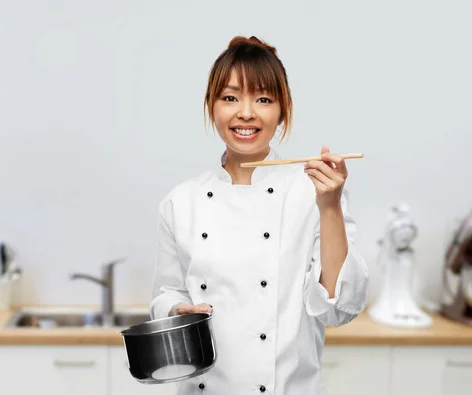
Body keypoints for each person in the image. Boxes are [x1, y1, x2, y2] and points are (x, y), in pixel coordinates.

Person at [149, 35, 369, 395]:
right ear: (211, 106)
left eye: (263, 99)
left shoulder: (311, 191)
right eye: (230, 97)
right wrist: (177, 311)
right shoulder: (180, 202)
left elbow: (338, 310)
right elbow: (166, 293)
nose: (246, 112)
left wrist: (329, 206)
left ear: (283, 111)